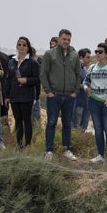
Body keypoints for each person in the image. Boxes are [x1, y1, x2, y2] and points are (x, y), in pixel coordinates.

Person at [40, 28, 80, 160]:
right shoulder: (49, 54)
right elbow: (43, 74)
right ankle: (49, 151)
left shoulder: (74, 55)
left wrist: (75, 92)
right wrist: (49, 92)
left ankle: (66, 150)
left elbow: (78, 74)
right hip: (54, 95)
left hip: (69, 96)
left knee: (67, 123)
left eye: (68, 39)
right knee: (51, 122)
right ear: (58, 39)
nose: (66, 42)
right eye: (64, 39)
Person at [84, 43, 107, 164]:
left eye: (100, 52)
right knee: (98, 129)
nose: (97, 54)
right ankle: (100, 155)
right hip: (94, 101)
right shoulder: (92, 67)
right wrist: (86, 88)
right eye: (96, 51)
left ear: (106, 54)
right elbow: (86, 81)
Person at [5, 36, 40, 149]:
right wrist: (6, 95)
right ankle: (19, 144)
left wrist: (26, 80)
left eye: (24, 45)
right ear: (16, 46)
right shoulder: (12, 61)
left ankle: (28, 145)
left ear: (28, 47)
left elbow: (37, 80)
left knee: (27, 120)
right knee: (18, 121)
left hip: (27, 96)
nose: (21, 46)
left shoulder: (32, 63)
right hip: (14, 95)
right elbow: (8, 79)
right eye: (19, 44)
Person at [72, 48, 91, 130]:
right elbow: (72, 83)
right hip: (78, 102)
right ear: (80, 57)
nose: (89, 59)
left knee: (84, 126)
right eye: (87, 57)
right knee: (76, 126)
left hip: (86, 102)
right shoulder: (76, 68)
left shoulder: (85, 69)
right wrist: (84, 86)